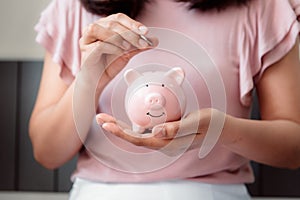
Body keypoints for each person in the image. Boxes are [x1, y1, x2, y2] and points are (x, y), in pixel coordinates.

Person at [30, 0, 300, 199]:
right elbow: (47, 152)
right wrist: (90, 78)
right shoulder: (73, 8)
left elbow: (293, 148)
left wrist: (220, 130)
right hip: (101, 191)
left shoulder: (263, 7)